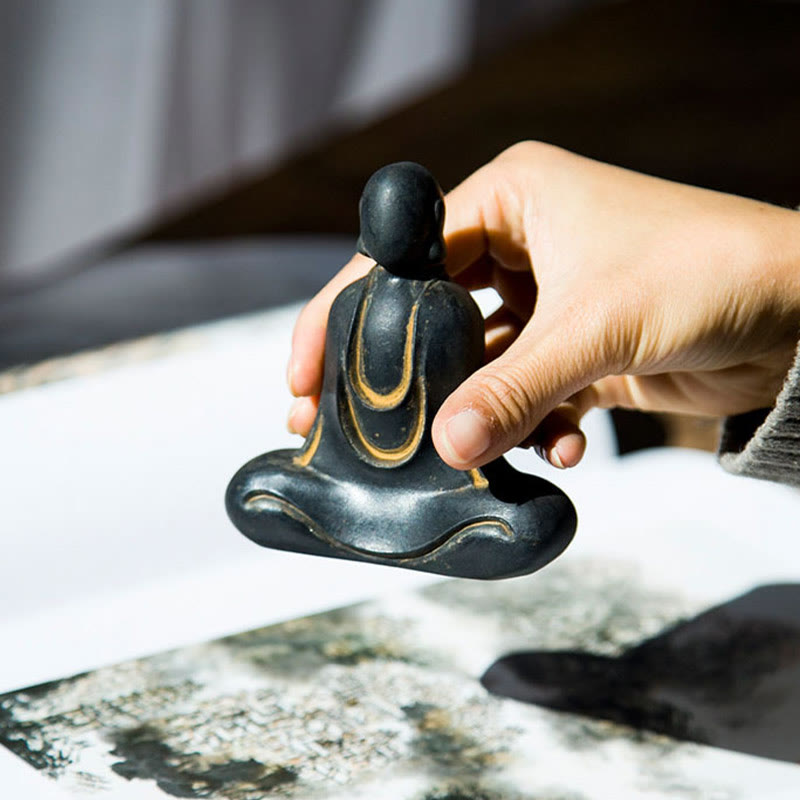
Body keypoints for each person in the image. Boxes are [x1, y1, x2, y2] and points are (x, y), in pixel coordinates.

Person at [286, 142, 800, 487]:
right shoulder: (349, 306)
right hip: (349, 485)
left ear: (435, 223)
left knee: (531, 522)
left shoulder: (450, 308)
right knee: (261, 490)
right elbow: (329, 427)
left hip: (442, 491)